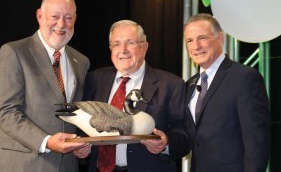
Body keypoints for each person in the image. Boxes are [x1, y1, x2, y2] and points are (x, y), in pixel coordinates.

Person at [0, 0, 91, 172]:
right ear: (39, 16)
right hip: (22, 165)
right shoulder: (14, 52)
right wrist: (46, 141)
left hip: (66, 166)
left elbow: (77, 115)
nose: (62, 24)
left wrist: (83, 142)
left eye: (68, 18)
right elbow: (6, 112)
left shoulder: (81, 61)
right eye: (55, 16)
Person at [73, 20, 190, 172]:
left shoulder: (170, 85)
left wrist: (166, 143)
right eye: (116, 44)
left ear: (144, 47)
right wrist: (82, 150)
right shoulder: (94, 80)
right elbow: (84, 125)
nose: (123, 50)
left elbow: (184, 135)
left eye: (130, 43)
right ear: (110, 49)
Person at [183, 13, 270, 172]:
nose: (196, 46)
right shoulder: (189, 85)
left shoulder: (245, 77)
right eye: (189, 40)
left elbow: (257, 141)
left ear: (220, 38)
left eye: (202, 38)